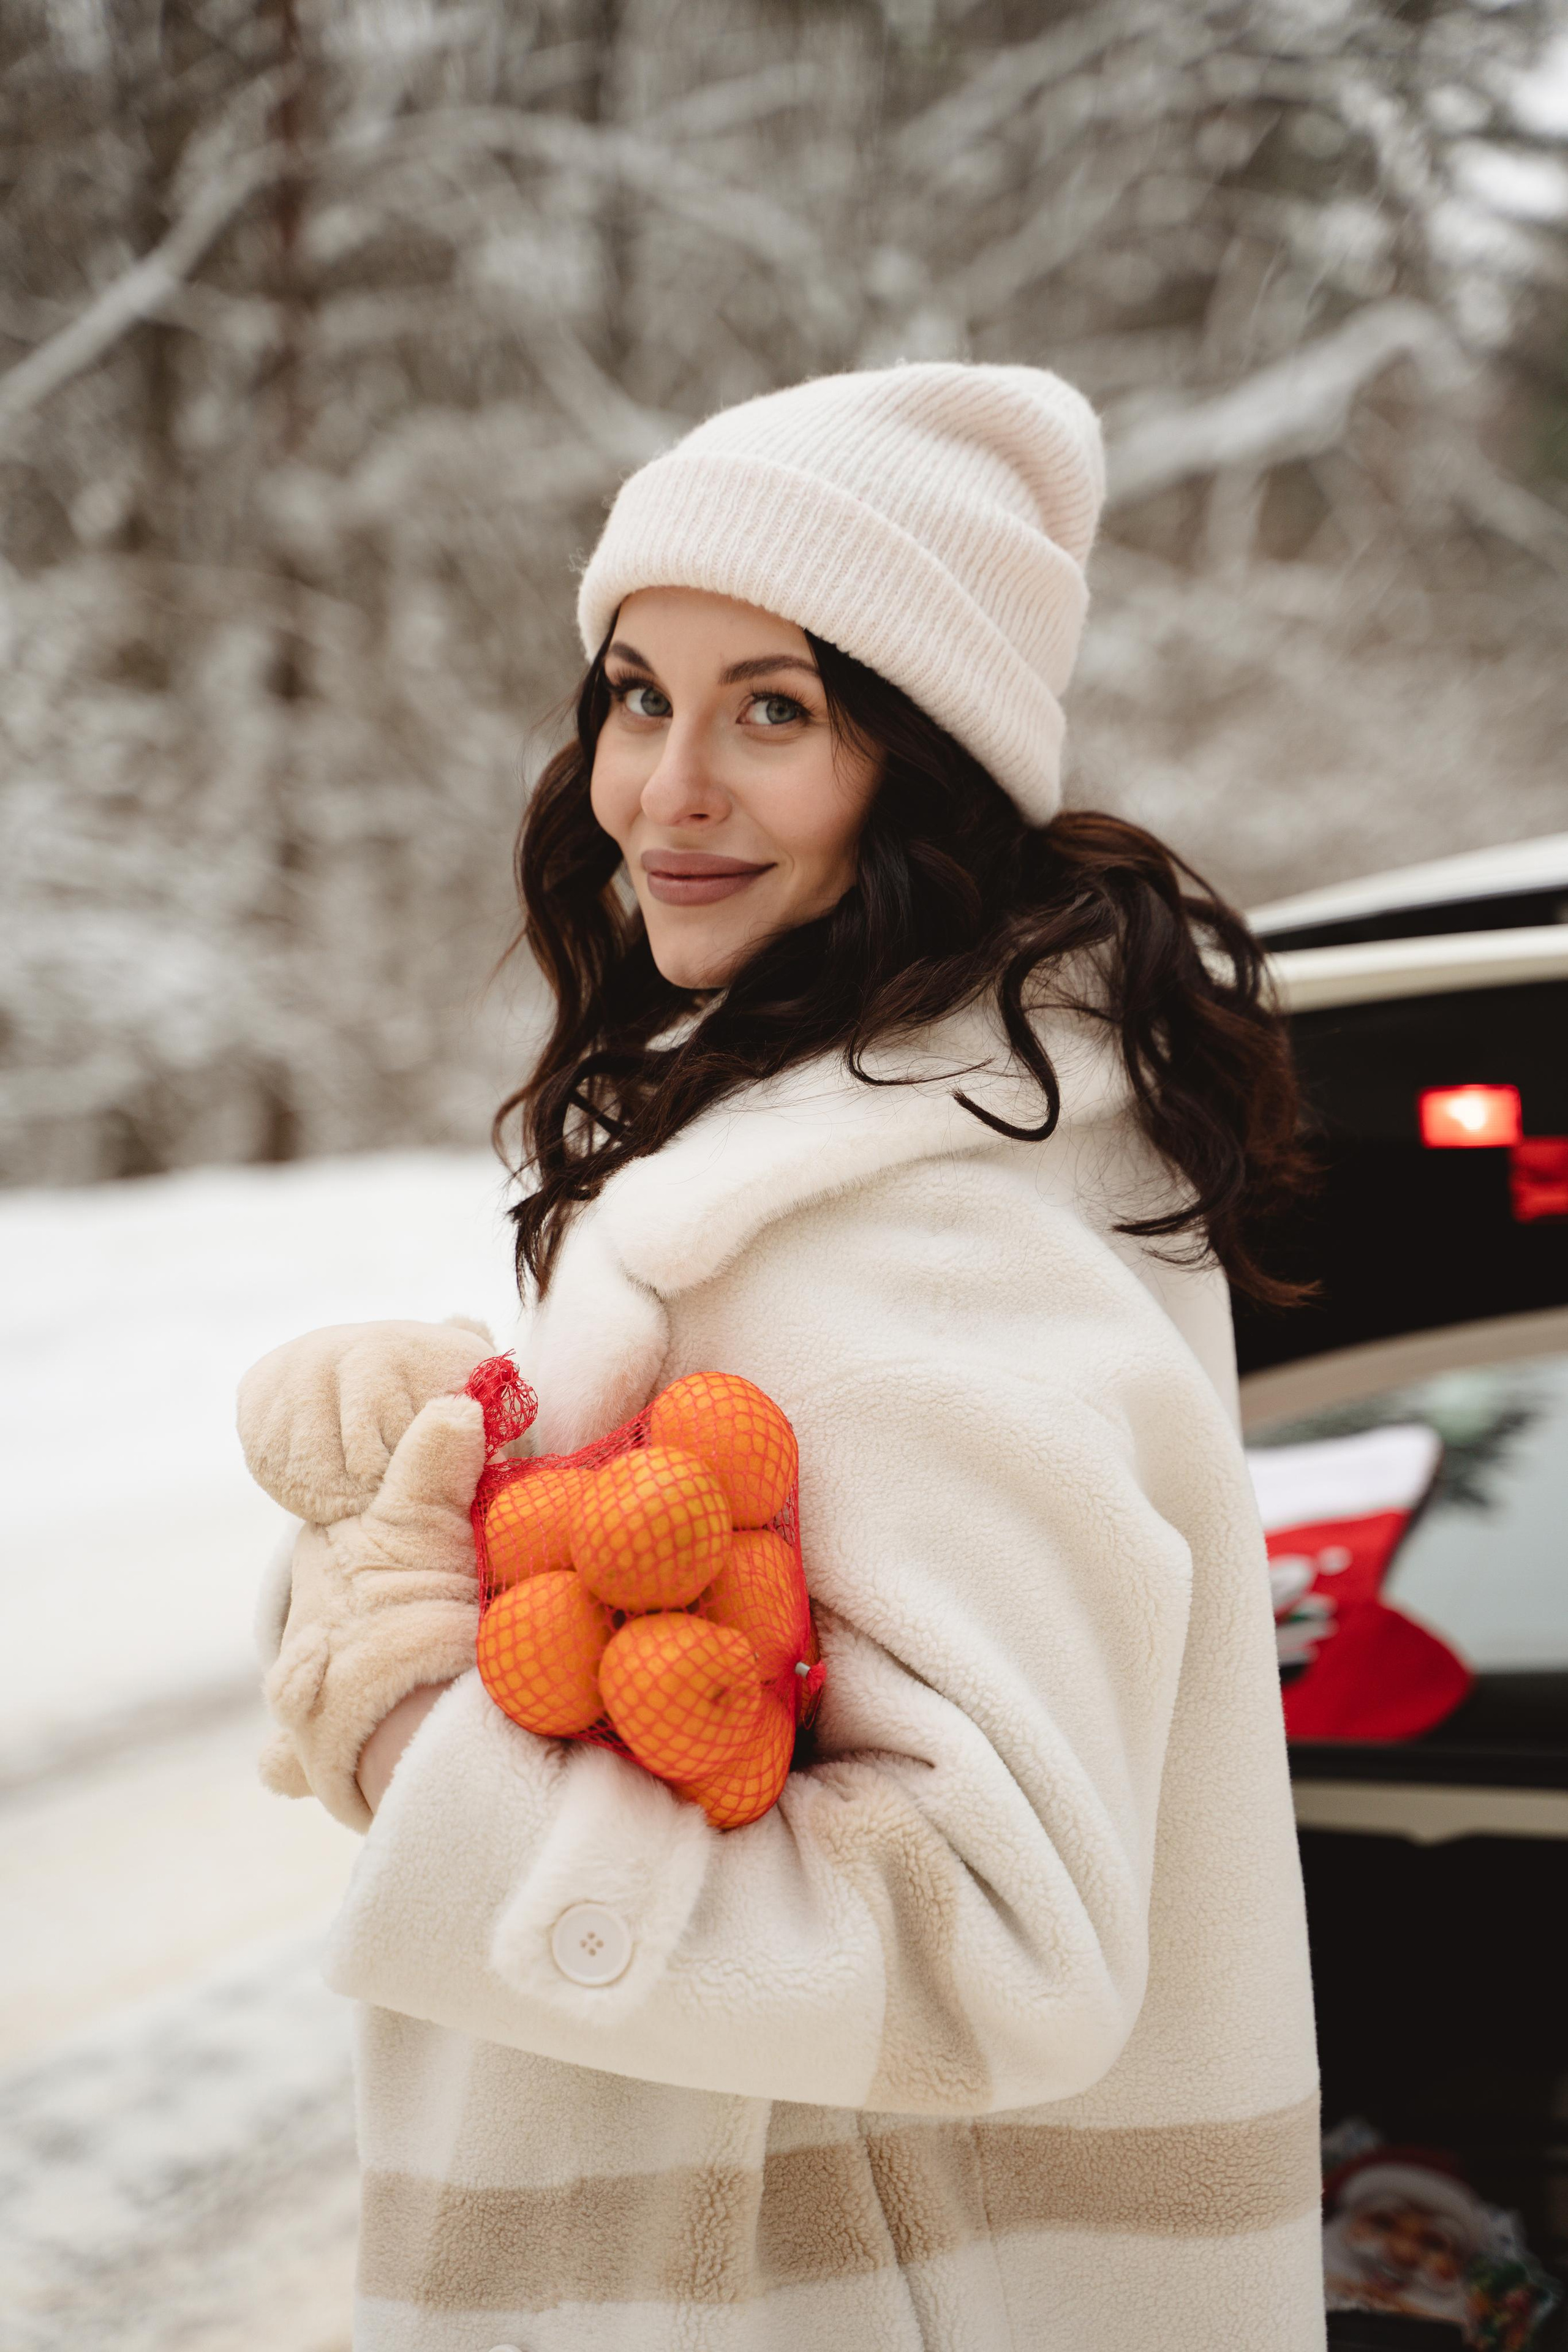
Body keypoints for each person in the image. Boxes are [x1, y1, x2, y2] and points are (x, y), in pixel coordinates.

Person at [242, 363, 1325, 2351]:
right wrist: (434, 1500)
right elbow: (705, 1687)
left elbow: (990, 1949)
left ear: (917, 766)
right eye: (640, 693)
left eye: (777, 711)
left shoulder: (926, 1238)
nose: (665, 790)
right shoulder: (805, 1159)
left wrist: (418, 1736)